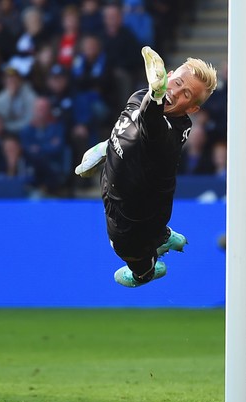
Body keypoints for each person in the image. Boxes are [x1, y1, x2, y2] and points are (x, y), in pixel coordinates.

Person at [74, 46, 217, 287]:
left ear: (192, 109)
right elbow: (130, 131)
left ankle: (145, 272)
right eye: (177, 82)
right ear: (168, 74)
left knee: (132, 257)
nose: (176, 92)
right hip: (136, 196)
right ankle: (164, 237)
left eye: (187, 94)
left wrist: (158, 94)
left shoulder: (170, 134)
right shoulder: (141, 95)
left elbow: (150, 122)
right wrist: (107, 148)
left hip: (133, 223)